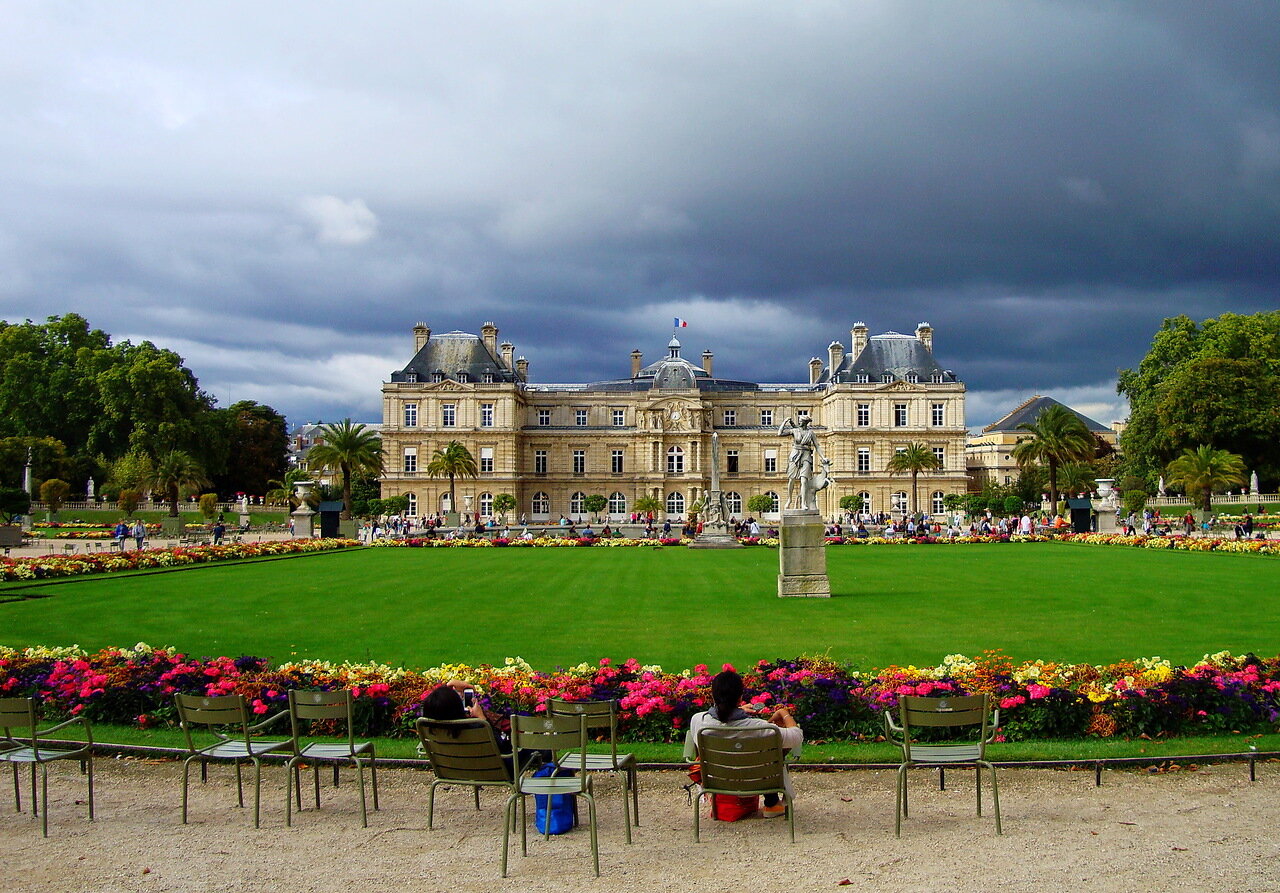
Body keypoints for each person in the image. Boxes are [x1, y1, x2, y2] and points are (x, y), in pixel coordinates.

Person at [684, 670, 802, 818]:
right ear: (740, 697)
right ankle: (771, 803)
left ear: (713, 696)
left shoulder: (699, 721)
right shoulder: (761, 728)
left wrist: (737, 710)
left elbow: (722, 722)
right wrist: (784, 714)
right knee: (770, 748)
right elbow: (796, 736)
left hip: (717, 781)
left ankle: (770, 803)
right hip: (757, 780)